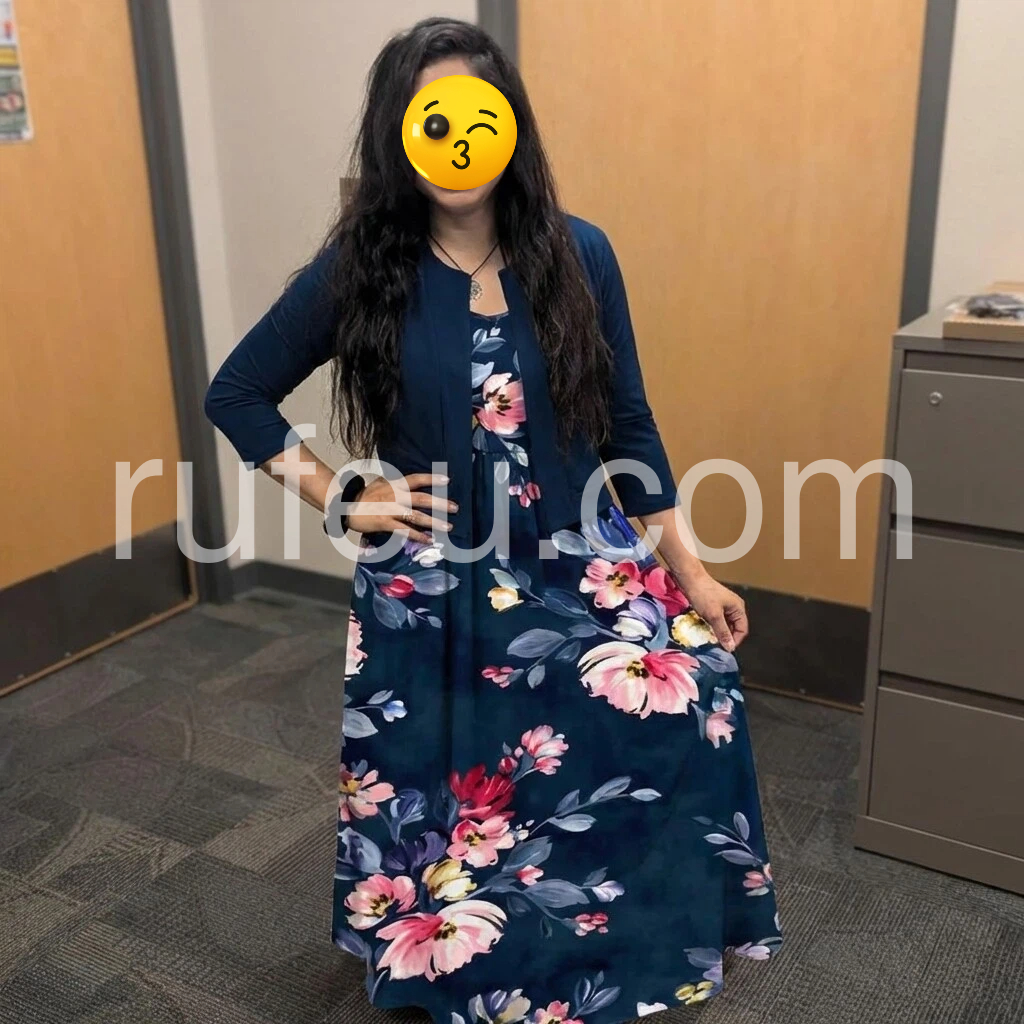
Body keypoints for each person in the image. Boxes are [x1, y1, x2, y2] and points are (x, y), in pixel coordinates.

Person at [205, 17, 780, 1024]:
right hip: (434, 582)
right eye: (432, 119)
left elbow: (629, 422)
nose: (458, 141)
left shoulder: (578, 253)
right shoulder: (363, 265)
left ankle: (609, 954)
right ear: (399, 132)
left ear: (509, 124)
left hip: (572, 560)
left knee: (695, 699)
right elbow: (238, 393)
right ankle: (465, 969)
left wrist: (691, 571)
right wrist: (344, 493)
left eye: (477, 115)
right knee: (459, 799)